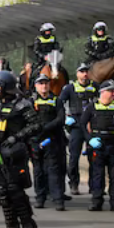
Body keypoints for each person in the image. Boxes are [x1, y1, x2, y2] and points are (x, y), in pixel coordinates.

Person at [0, 70, 40, 228]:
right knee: (2, 193)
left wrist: (16, 137)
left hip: (14, 154)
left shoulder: (21, 105)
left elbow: (36, 125)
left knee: (15, 192)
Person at [81, 80, 114, 213]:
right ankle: (96, 201)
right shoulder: (92, 106)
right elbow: (82, 124)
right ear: (103, 92)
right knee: (98, 174)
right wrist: (89, 139)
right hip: (98, 145)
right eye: (111, 91)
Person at [29, 73, 67, 211]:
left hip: (52, 140)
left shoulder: (56, 100)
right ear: (36, 86)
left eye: (46, 83)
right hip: (35, 140)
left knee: (53, 170)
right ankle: (40, 198)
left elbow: (60, 119)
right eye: (41, 83)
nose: (44, 86)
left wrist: (45, 128)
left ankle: (58, 200)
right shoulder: (30, 101)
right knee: (38, 171)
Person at [58, 63, 97, 195]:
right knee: (74, 157)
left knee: (94, 157)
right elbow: (59, 104)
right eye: (82, 71)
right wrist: (65, 119)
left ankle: (94, 185)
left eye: (86, 71)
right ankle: (74, 183)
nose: (85, 74)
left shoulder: (95, 87)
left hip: (91, 126)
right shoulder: (70, 88)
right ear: (77, 74)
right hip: (76, 125)